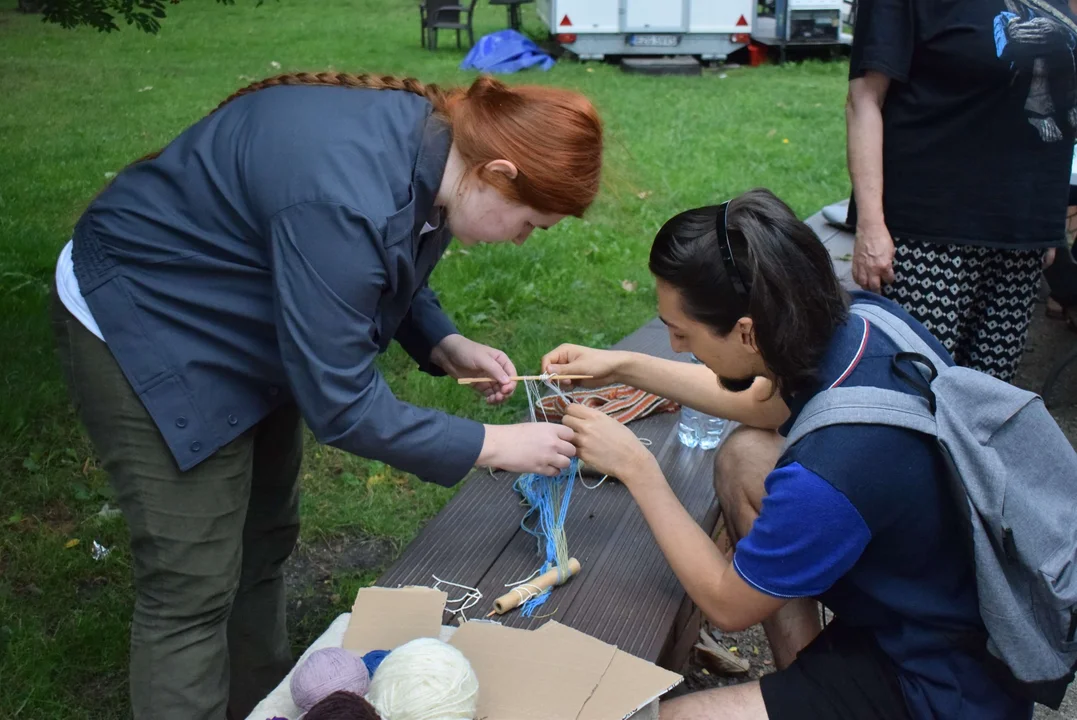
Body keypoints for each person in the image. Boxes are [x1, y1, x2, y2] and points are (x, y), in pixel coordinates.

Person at [50, 71, 601, 720]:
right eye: (530, 223)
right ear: (497, 171)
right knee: (191, 582)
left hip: (252, 313)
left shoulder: (443, 152)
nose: (521, 239)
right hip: (150, 320)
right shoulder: (347, 195)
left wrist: (441, 340)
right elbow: (341, 405)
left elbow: (378, 256)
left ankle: (259, 705)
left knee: (264, 537)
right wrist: (494, 443)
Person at [542, 189, 1034, 719]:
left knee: (668, 717)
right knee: (747, 457)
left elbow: (728, 604)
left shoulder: (832, 470)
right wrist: (624, 367)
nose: (679, 347)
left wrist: (637, 467)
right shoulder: (863, 323)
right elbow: (763, 406)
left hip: (942, 685)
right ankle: (804, 678)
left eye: (682, 332)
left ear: (748, 332)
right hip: (940, 614)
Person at [845, 0, 1077, 383]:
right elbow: (864, 101)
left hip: (1021, 232)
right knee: (920, 390)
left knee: (991, 397)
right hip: (929, 230)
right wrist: (871, 224)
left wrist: (1047, 220)